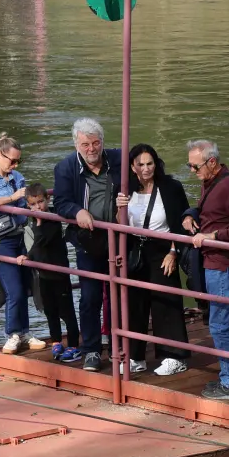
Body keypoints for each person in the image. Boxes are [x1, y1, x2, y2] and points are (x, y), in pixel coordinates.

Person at [182, 139, 229, 401]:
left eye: (195, 166)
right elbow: (208, 209)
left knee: (221, 323)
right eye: (189, 165)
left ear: (211, 162)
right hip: (215, 262)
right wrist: (190, 215)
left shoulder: (228, 185)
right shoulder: (212, 181)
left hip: (224, 264)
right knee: (225, 321)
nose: (192, 170)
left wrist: (214, 235)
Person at [113, 144, 191, 378]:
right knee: (134, 303)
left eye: (150, 163)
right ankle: (135, 356)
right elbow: (119, 225)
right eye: (140, 164)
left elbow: (180, 223)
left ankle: (175, 356)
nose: (146, 169)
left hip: (163, 248)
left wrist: (173, 251)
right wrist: (119, 209)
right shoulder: (125, 189)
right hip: (136, 249)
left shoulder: (171, 187)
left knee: (165, 301)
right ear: (132, 167)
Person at [52, 118, 122, 373]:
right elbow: (60, 202)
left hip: (118, 240)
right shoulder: (66, 168)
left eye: (96, 142)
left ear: (102, 141)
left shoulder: (118, 160)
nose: (91, 149)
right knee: (90, 297)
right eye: (85, 144)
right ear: (76, 145)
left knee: (118, 294)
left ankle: (117, 345)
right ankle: (91, 349)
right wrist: (77, 211)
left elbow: (146, 171)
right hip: (87, 241)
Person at [0, 133, 43, 355]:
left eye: (18, 161)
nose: (14, 165)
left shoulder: (17, 176)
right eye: (11, 160)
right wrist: (11, 198)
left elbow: (25, 202)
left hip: (21, 235)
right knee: (14, 290)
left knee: (25, 287)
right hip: (1, 240)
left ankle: (24, 331)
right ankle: (13, 333)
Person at [24, 182, 80, 363]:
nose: (37, 207)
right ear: (27, 205)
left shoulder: (52, 219)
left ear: (47, 200)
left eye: (40, 202)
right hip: (44, 274)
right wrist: (28, 256)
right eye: (32, 204)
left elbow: (41, 241)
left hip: (58, 272)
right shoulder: (35, 219)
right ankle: (56, 340)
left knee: (67, 312)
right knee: (50, 311)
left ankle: (73, 345)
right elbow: (36, 247)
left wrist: (39, 222)